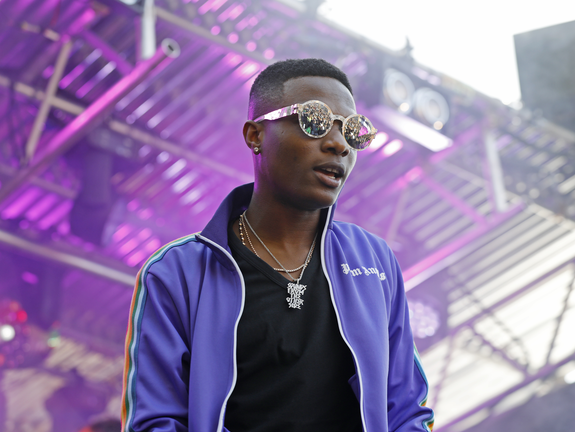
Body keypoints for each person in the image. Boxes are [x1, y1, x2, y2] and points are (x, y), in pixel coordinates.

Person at [121, 58, 435, 432]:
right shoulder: (176, 273)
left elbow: (407, 408)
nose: (338, 144)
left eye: (352, 131)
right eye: (315, 121)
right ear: (256, 135)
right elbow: (154, 421)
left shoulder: (374, 261)